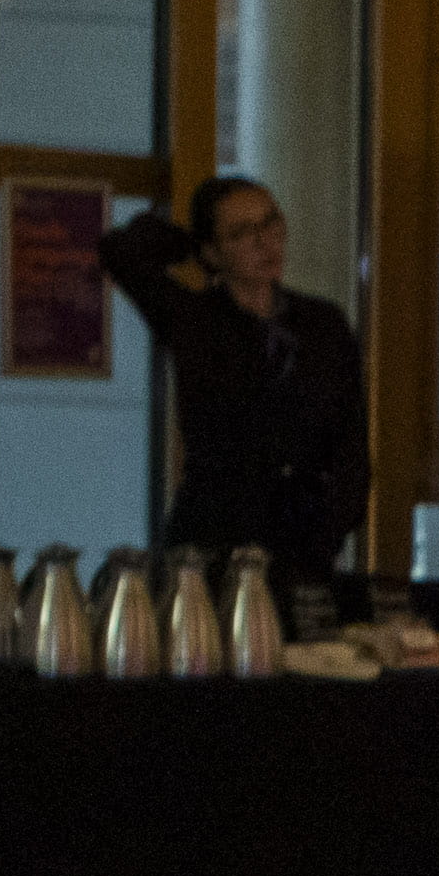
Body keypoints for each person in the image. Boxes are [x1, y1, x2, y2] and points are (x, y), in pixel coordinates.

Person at [103, 172, 367, 578]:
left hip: (303, 547)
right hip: (213, 544)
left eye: (270, 223)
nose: (265, 242)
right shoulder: (194, 318)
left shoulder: (323, 324)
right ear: (212, 251)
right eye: (242, 232)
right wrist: (191, 244)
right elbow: (119, 250)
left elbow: (351, 443)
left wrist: (329, 532)